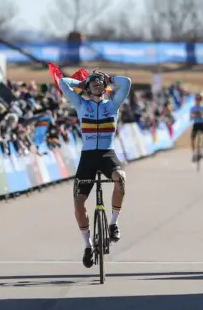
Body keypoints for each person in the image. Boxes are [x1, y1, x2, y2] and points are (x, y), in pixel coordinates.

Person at [57, 69, 131, 269]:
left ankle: (113, 224)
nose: (98, 85)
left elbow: (127, 82)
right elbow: (63, 82)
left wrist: (110, 78)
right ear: (88, 88)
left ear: (105, 86)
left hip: (107, 154)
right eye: (94, 83)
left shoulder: (112, 105)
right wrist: (80, 83)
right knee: (78, 202)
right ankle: (88, 245)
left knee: (121, 178)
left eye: (100, 83)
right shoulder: (81, 104)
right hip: (88, 157)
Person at [189, 92, 203, 161]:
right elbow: (190, 118)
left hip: (202, 124)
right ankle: (194, 153)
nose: (198, 100)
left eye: (199, 99)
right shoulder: (192, 108)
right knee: (192, 138)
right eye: (197, 99)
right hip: (196, 124)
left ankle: (202, 151)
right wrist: (193, 116)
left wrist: (202, 116)